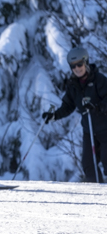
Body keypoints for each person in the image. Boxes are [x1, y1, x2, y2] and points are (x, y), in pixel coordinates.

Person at [42, 47, 107, 183]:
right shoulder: (73, 85)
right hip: (89, 131)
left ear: (86, 62)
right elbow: (68, 106)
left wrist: (97, 107)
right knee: (89, 166)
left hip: (105, 128)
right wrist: (54, 116)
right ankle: (97, 192)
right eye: (73, 66)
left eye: (79, 64)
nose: (77, 69)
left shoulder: (99, 80)